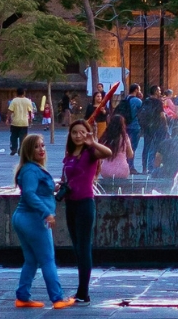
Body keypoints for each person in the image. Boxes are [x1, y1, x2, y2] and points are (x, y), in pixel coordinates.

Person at [10, 133, 70, 309]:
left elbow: (37, 190)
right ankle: (57, 298)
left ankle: (23, 296)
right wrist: (46, 213)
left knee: (31, 260)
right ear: (28, 150)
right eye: (36, 146)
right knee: (47, 259)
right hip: (33, 218)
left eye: (43, 145)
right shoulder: (30, 169)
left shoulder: (32, 168)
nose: (41, 149)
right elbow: (29, 193)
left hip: (24, 218)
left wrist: (54, 186)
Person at [61, 120, 113, 306]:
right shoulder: (69, 155)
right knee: (76, 248)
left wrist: (93, 143)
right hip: (70, 204)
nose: (78, 136)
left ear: (87, 134)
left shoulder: (90, 152)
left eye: (82, 132)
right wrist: (62, 186)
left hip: (85, 204)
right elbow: (66, 176)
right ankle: (80, 290)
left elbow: (108, 153)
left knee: (83, 248)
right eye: (74, 132)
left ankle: (84, 292)